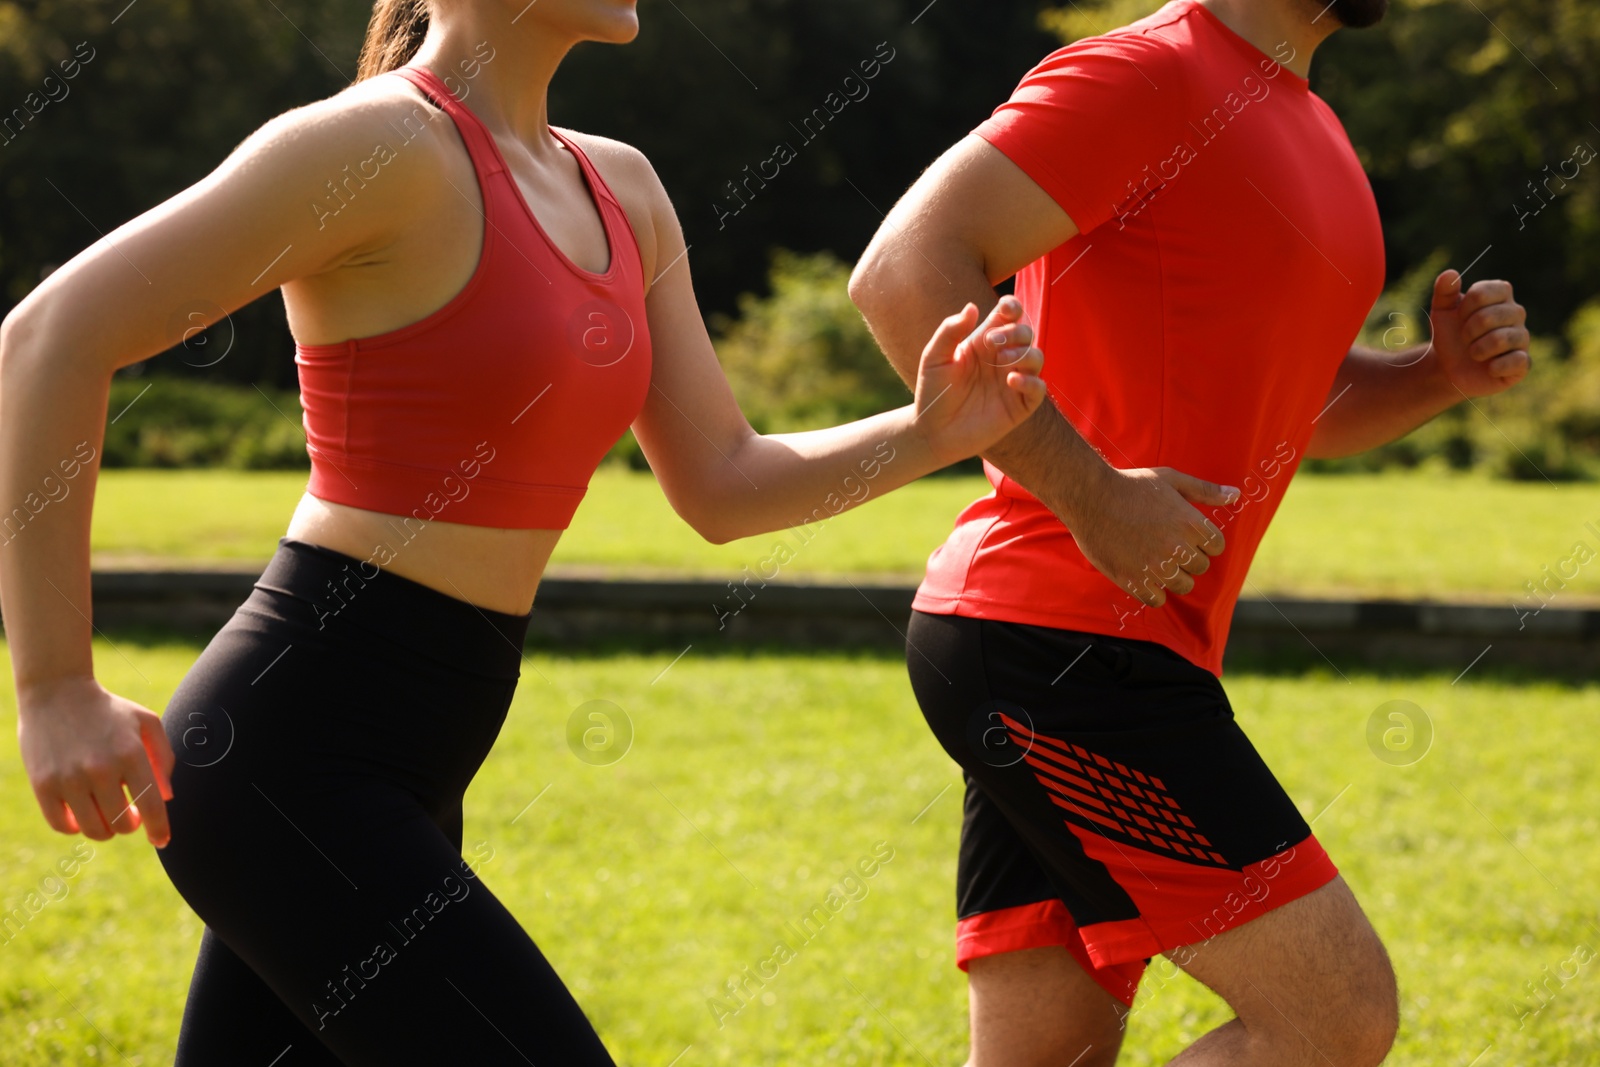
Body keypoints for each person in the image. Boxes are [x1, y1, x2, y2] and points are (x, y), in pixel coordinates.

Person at [0, 1, 1049, 1063]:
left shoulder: (621, 188)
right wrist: (52, 685)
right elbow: (52, 334)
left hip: (419, 763)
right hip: (293, 760)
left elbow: (726, 483)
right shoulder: (378, 144)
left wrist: (926, 432)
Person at [849, 1, 1530, 1065]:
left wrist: (1432, 376)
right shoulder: (1144, 76)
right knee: (1333, 1017)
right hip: (1061, 642)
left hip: (1089, 648)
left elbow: (1290, 406)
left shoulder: (1312, 123)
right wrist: (1089, 492)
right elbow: (904, 269)